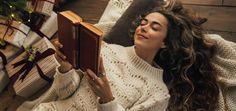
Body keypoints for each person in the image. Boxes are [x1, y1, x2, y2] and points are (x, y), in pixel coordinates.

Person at [17, 0, 236, 111]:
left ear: (165, 42)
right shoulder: (105, 49)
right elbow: (64, 94)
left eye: (154, 27)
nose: (144, 27)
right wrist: (65, 68)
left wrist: (107, 99)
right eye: (143, 22)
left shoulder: (158, 93)